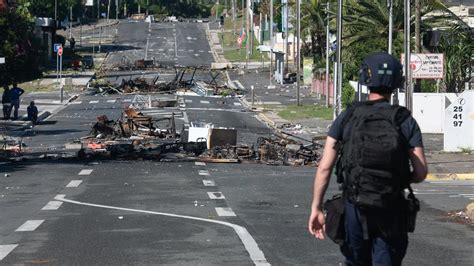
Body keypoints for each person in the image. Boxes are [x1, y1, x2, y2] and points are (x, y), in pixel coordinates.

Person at [308, 52, 428, 265]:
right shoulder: (404, 120)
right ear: (397, 81)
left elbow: (325, 168)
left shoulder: (348, 116)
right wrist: (394, 178)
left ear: (365, 79)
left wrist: (316, 207)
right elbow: (420, 172)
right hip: (391, 207)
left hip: (355, 206)